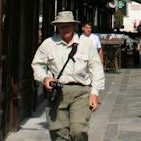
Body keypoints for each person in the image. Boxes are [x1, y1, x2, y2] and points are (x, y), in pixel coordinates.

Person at [31, 11, 104, 141]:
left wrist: (94, 93)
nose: (65, 29)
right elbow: (37, 65)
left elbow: (96, 68)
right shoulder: (48, 44)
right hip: (58, 93)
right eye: (62, 26)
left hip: (81, 92)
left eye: (68, 26)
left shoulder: (86, 43)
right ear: (57, 27)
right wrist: (45, 78)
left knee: (79, 131)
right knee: (59, 133)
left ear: (74, 26)